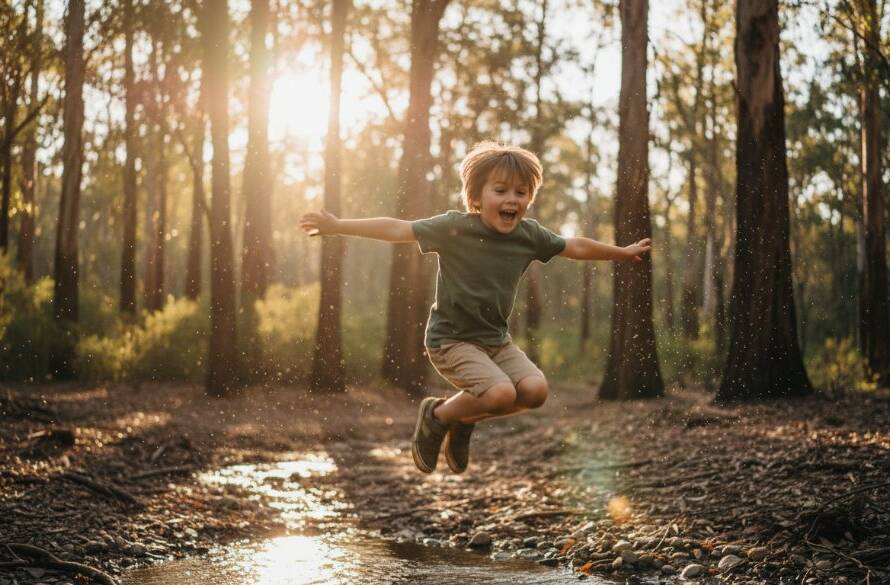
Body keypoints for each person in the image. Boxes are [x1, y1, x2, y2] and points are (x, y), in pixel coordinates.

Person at [300, 141, 652, 475]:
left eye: (521, 192)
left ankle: (463, 418)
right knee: (500, 394)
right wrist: (337, 226)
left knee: (534, 391)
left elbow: (574, 246)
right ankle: (438, 415)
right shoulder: (455, 228)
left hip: (495, 342)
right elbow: (398, 228)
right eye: (500, 191)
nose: (512, 200)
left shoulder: (528, 236)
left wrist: (622, 252)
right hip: (450, 341)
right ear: (476, 197)